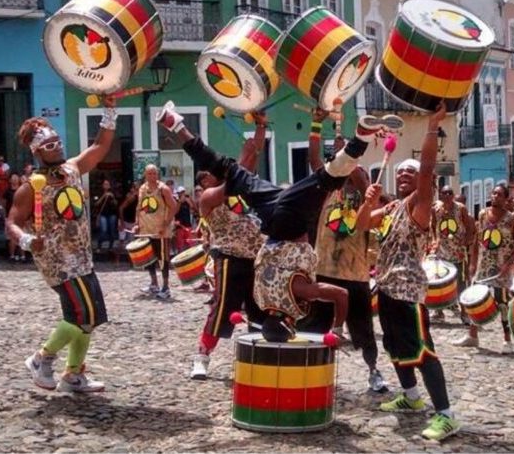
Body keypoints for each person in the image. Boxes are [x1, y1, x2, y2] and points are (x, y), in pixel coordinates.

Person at [162, 102, 401, 346]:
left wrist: (338, 328)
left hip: (290, 221)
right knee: (222, 166)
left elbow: (340, 295)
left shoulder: (299, 293)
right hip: (270, 213)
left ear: (289, 324)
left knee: (329, 176)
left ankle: (360, 136)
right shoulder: (262, 298)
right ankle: (176, 123)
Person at [355, 104, 461, 442]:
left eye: (410, 173)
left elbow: (429, 169)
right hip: (386, 290)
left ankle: (446, 414)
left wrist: (432, 127)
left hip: (407, 292)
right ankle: (412, 398)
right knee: (395, 348)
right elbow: (359, 226)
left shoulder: (420, 205)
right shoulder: (391, 208)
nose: (403, 175)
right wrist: (368, 201)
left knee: (423, 351)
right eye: (400, 171)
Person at [6, 101, 118, 392]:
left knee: (87, 320)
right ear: (37, 151)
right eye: (49, 145)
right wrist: (28, 240)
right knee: (85, 316)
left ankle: (73, 375)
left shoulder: (73, 169)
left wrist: (109, 111)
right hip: (58, 262)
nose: (56, 147)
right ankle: (41, 358)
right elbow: (12, 223)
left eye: (57, 142)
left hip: (82, 258)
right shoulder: (31, 187)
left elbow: (100, 146)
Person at [297, 108, 389, 393]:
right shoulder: (326, 189)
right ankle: (310, 372)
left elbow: (362, 179)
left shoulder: (365, 193)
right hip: (323, 269)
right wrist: (315, 124)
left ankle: (373, 371)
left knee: (363, 332)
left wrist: (351, 156)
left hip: (356, 273)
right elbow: (313, 158)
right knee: (315, 326)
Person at [189, 135, 268, 379]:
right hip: (229, 258)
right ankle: (202, 357)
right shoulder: (208, 197)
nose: (212, 175)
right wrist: (245, 155)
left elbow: (253, 157)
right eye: (209, 175)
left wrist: (260, 127)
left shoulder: (237, 189)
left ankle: (259, 358)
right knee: (222, 308)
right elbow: (241, 171)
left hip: (256, 258)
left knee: (260, 309)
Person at [454, 183, 514, 351]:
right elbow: (478, 241)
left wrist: (509, 263)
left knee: (502, 302)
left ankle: (507, 340)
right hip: (484, 264)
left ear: (506, 198)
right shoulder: (483, 214)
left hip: (502, 266)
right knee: (474, 298)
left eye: (499, 194)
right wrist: (473, 263)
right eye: (494, 193)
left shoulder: (511, 219)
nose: (495, 197)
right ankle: (472, 335)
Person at [431, 184, 476, 324]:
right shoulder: (436, 209)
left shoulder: (460, 208)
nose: (447, 196)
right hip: (442, 251)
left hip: (458, 252)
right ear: (440, 195)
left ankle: (464, 312)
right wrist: (434, 241)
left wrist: (467, 241)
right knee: (440, 281)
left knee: (461, 283)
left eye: (450, 193)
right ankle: (439, 311)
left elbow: (469, 226)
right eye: (444, 193)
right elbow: (433, 226)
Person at [136, 164, 176, 300]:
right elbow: (139, 206)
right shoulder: (143, 188)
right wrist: (137, 223)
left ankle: (166, 287)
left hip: (161, 231)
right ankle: (154, 283)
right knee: (148, 257)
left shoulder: (163, 189)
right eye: (149, 174)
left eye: (154, 173)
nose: (152, 176)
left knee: (163, 258)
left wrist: (165, 224)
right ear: (145, 175)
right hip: (146, 229)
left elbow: (173, 207)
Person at [92, 179, 118, 252]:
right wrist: (104, 196)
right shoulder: (98, 193)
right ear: (102, 185)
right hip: (102, 214)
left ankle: (110, 247)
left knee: (112, 230)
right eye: (105, 184)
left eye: (107, 184)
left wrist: (112, 197)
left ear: (110, 185)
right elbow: (96, 204)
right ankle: (99, 246)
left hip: (112, 215)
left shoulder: (113, 193)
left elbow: (116, 204)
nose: (106, 185)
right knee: (103, 230)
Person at [173, 186, 196, 253]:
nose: (182, 194)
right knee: (180, 245)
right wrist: (180, 202)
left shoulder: (187, 201)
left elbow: (193, 208)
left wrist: (190, 199)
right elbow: (175, 212)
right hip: (179, 226)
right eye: (180, 193)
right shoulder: (176, 201)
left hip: (188, 225)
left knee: (190, 243)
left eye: (183, 192)